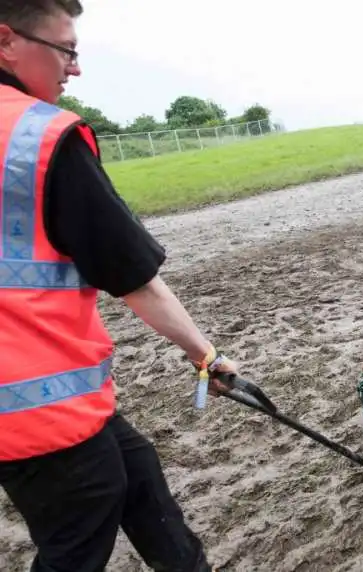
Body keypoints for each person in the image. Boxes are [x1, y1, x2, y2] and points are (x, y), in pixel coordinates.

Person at [0, 1, 238, 570]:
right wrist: (206, 356)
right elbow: (137, 282)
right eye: (66, 50)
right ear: (6, 41)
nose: (74, 69)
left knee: (137, 475)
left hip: (51, 400)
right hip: (38, 406)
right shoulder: (39, 137)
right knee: (79, 532)